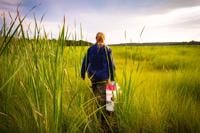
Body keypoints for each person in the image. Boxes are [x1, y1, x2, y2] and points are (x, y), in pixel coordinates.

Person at [81, 32, 116, 132]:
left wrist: (83, 74)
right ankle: (107, 121)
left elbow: (85, 62)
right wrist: (112, 79)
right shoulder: (108, 49)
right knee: (110, 99)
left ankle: (100, 117)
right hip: (105, 78)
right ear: (104, 39)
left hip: (94, 78)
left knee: (97, 97)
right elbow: (112, 65)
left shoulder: (90, 49)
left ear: (96, 39)